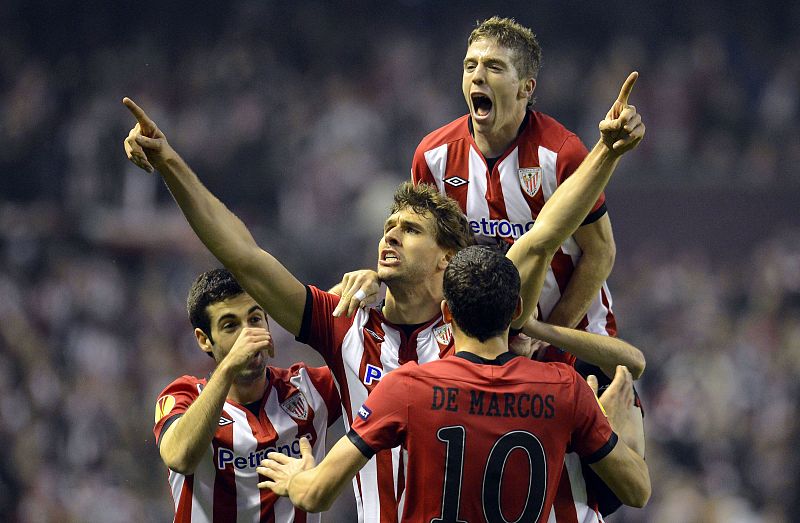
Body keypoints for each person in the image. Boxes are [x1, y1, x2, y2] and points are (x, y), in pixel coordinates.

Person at [124, 70, 643, 522]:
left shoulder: (478, 319)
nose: (389, 235)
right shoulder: (345, 321)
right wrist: (170, 162)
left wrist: (606, 152)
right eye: (388, 226)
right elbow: (243, 256)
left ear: (446, 259)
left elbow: (541, 237)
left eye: (409, 230)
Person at [256, 246, 650, 523]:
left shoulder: (405, 388)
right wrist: (611, 429)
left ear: (446, 312)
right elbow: (638, 492)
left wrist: (295, 479)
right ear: (515, 310)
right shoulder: (564, 388)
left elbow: (315, 493)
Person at [411, 16, 641, 378]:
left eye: (494, 67)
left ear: (525, 87)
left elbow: (600, 251)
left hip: (572, 340)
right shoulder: (433, 157)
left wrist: (545, 338)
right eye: (470, 65)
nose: (478, 76)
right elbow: (427, 255)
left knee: (621, 430)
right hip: (483, 351)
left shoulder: (561, 153)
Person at [153, 268, 341, 522]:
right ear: (204, 340)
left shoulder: (310, 390)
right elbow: (179, 457)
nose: (248, 335)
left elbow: (372, 361)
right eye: (230, 326)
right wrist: (230, 365)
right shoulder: (184, 395)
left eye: (254, 320)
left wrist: (366, 286)